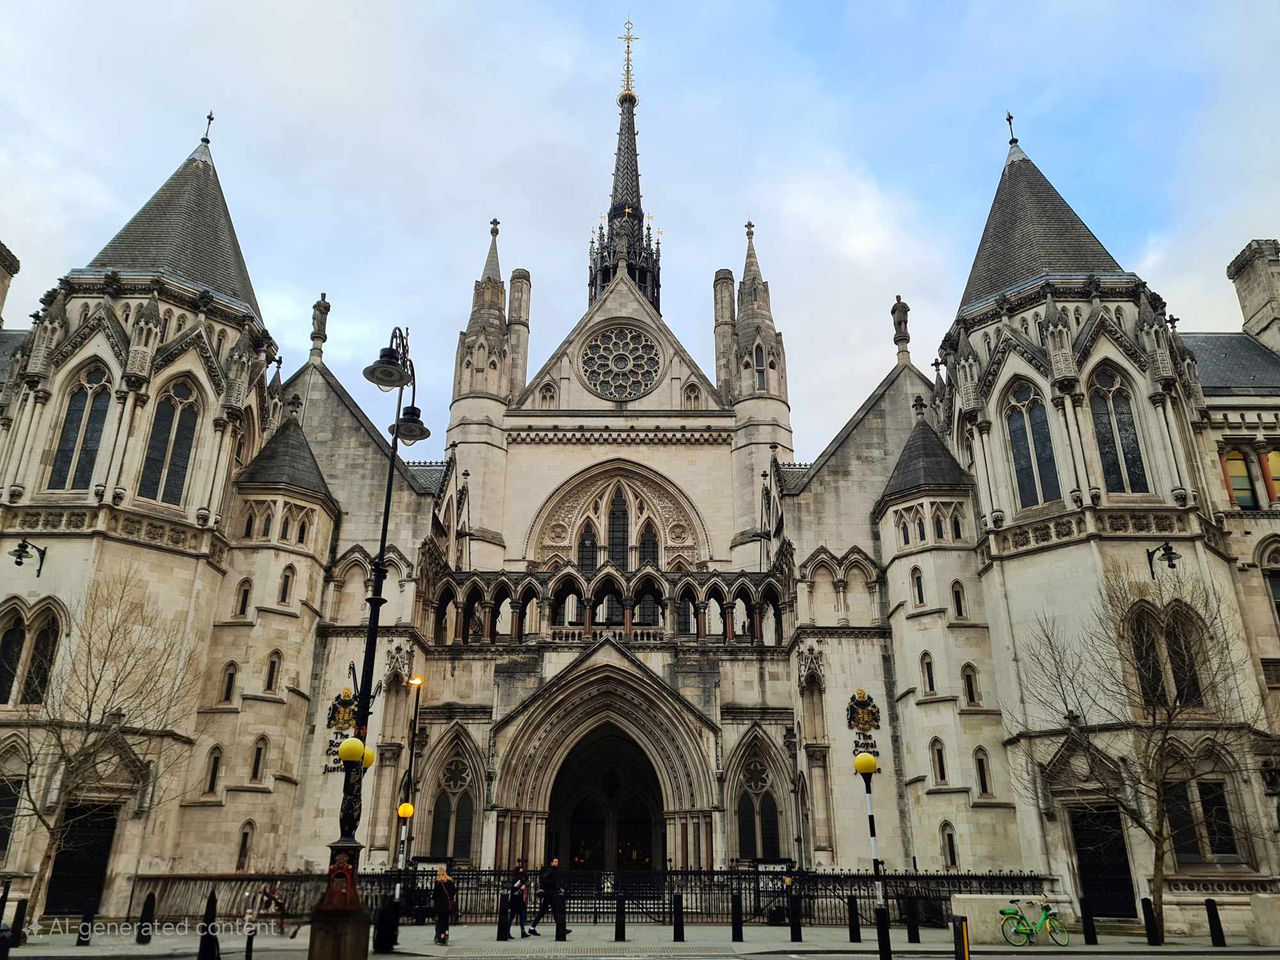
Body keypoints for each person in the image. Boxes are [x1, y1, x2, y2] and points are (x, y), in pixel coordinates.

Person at [527, 857, 569, 937]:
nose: (557, 863)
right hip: (549, 894)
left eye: (557, 862)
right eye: (555, 862)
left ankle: (532, 928)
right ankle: (561, 929)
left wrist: (557, 887)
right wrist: (557, 887)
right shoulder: (550, 870)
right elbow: (544, 879)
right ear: (552, 863)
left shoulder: (553, 870)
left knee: (544, 912)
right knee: (555, 911)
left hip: (550, 894)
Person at [432, 866, 456, 945]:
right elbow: (454, 892)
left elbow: (435, 895)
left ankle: (442, 937)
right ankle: (446, 934)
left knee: (440, 922)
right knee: (446, 921)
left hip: (440, 906)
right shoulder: (450, 881)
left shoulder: (438, 882)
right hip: (448, 905)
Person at [508, 865, 529, 938]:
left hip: (520, 901)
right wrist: (521, 889)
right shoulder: (515, 880)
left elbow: (526, 879)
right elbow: (514, 891)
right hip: (515, 901)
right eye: (520, 872)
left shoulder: (522, 880)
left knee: (522, 917)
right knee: (511, 917)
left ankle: (523, 932)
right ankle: (507, 931)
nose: (522, 873)